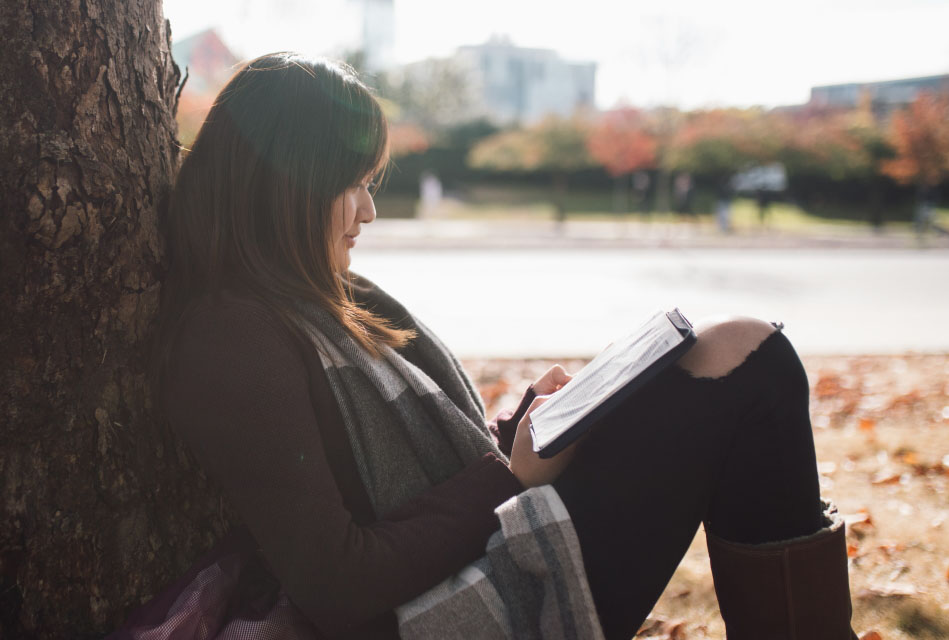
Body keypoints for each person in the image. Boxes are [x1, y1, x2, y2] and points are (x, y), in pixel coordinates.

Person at [122, 54, 859, 640]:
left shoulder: (320, 299)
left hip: (486, 552)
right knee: (749, 358)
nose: (370, 211)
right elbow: (338, 586)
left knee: (736, 352)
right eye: (352, 185)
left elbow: (419, 475)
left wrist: (526, 432)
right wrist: (507, 472)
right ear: (285, 187)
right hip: (450, 611)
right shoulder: (227, 338)